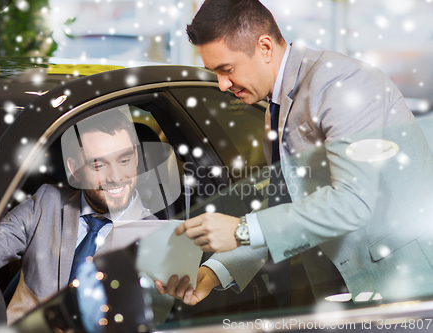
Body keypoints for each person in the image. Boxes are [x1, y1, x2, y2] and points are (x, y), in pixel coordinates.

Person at [155, 0, 433, 306]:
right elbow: (285, 205)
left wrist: (241, 229)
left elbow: (353, 201)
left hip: (403, 286)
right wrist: (214, 273)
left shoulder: (341, 83)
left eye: (226, 69)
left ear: (264, 47)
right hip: (343, 291)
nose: (221, 84)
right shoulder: (275, 108)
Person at [0, 109, 158, 325]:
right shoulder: (47, 201)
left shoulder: (154, 236)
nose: (116, 177)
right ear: (75, 170)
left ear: (136, 158)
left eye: (124, 160)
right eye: (98, 165)